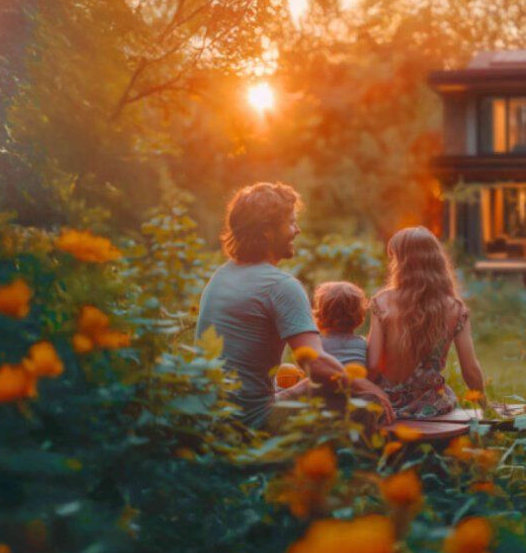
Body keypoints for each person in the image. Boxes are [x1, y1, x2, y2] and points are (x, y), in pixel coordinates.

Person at [196, 182, 393, 427]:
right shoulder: (280, 286)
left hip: (210, 417)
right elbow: (318, 365)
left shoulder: (221, 275)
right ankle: (353, 461)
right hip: (252, 422)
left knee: (289, 372)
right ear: (267, 231)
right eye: (290, 222)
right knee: (365, 398)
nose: (297, 230)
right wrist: (365, 384)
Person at [367, 226, 485, 419]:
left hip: (387, 406)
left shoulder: (382, 302)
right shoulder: (455, 308)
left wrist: (366, 398)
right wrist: (484, 406)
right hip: (431, 407)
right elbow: (470, 369)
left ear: (401, 263)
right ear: (436, 261)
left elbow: (372, 365)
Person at [313, 281, 369, 367]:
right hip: (357, 380)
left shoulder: (316, 344)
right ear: (360, 314)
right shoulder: (365, 345)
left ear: (321, 314)